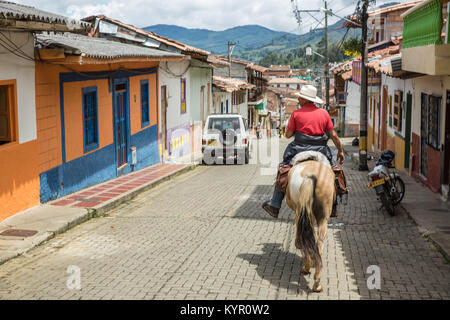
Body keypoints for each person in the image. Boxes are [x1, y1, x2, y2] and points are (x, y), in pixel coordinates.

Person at [262, 84, 345, 218]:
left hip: (298, 149)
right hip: (321, 150)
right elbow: (334, 136)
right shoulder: (324, 113)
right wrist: (340, 151)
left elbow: (288, 135)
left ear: (306, 99)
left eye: (300, 98)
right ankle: (334, 205)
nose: (299, 100)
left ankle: (275, 205)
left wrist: (291, 131)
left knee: (283, 170)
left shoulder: (296, 114)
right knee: (333, 172)